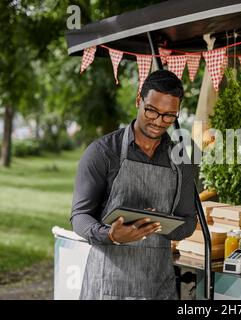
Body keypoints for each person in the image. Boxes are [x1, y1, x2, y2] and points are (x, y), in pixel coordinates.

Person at [70, 70, 197, 300]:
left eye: (169, 116)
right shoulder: (102, 152)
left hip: (158, 285)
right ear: (139, 100)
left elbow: (188, 222)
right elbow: (79, 216)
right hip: (107, 284)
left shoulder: (181, 160)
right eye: (151, 111)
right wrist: (111, 235)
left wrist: (159, 223)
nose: (159, 122)